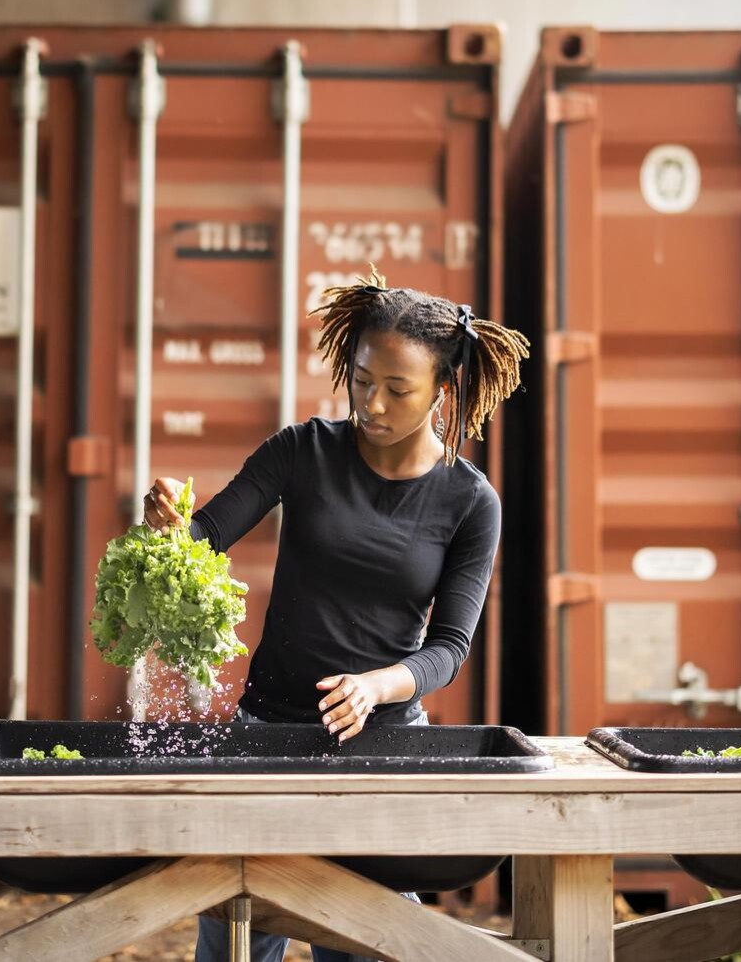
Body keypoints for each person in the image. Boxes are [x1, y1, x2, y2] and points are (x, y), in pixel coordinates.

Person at [141, 268, 530, 962]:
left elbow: (448, 648)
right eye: (361, 379)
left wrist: (376, 686)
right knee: (235, 938)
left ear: (442, 391)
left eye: (397, 389)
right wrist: (166, 525)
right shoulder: (302, 451)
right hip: (265, 734)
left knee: (367, 943)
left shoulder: (471, 503)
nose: (371, 403)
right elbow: (201, 542)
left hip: (381, 751)